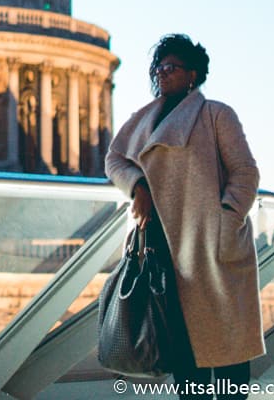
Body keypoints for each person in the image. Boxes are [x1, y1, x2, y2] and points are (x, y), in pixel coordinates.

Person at [105, 34, 265, 397]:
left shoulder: (216, 115)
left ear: (192, 74)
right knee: (182, 350)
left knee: (228, 351)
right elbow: (114, 160)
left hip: (215, 248)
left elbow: (245, 172)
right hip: (164, 248)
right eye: (158, 67)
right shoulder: (142, 120)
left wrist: (226, 220)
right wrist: (137, 187)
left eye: (171, 67)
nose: (162, 73)